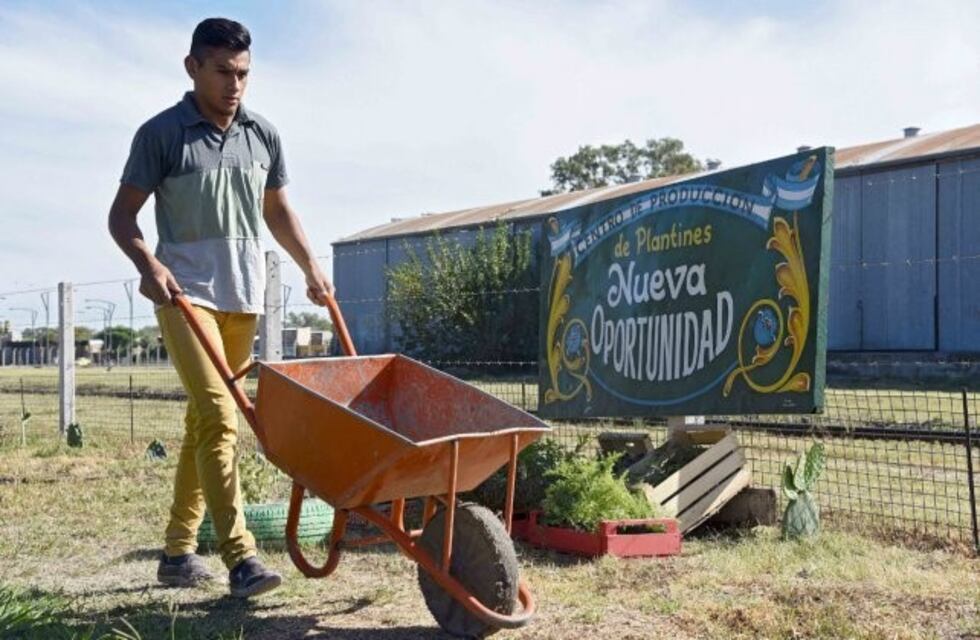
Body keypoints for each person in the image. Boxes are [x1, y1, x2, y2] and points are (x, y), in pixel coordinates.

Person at [108, 17, 333, 598]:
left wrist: (310, 265)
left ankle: (178, 553)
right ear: (193, 67)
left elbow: (278, 211)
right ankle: (241, 558)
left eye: (244, 74)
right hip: (185, 293)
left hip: (243, 295)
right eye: (223, 72)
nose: (235, 85)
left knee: (202, 424)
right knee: (221, 415)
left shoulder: (263, 134)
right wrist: (149, 266)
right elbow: (122, 217)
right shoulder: (161, 134)